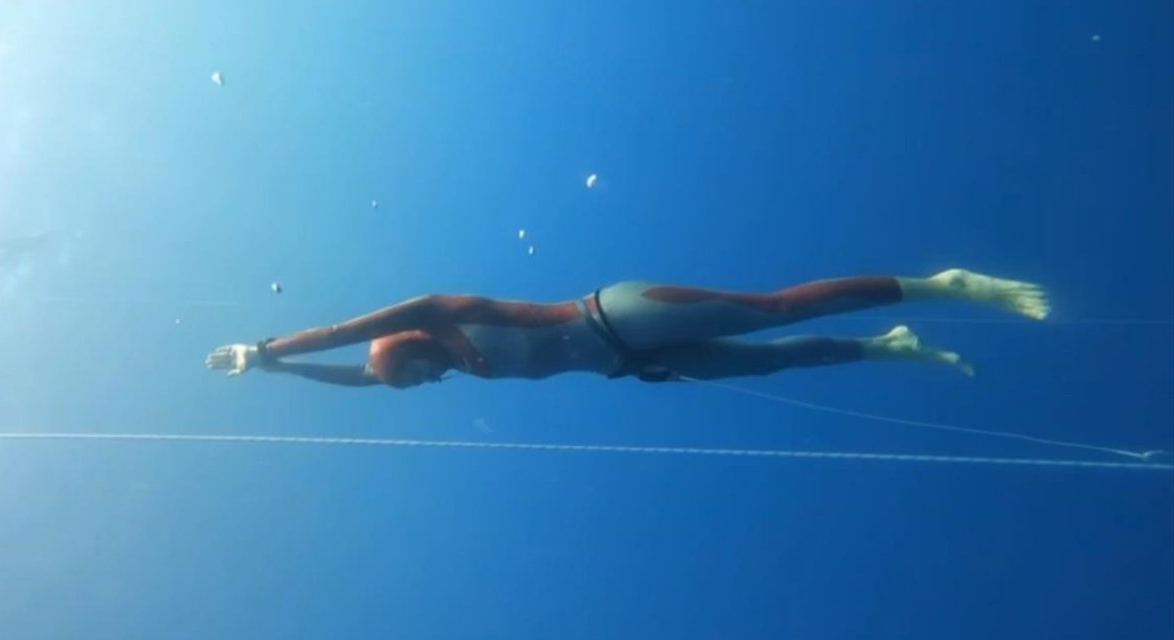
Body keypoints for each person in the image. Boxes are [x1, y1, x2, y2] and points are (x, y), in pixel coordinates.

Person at [204, 268, 1049, 389]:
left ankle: (945, 284)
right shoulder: (441, 366)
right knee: (774, 364)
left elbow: (346, 333)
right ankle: (886, 347)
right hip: (632, 361)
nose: (423, 387)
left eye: (412, 377)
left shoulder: (439, 316)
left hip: (620, 311)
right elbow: (358, 380)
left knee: (775, 310)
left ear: (412, 348)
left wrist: (268, 347)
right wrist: (280, 378)